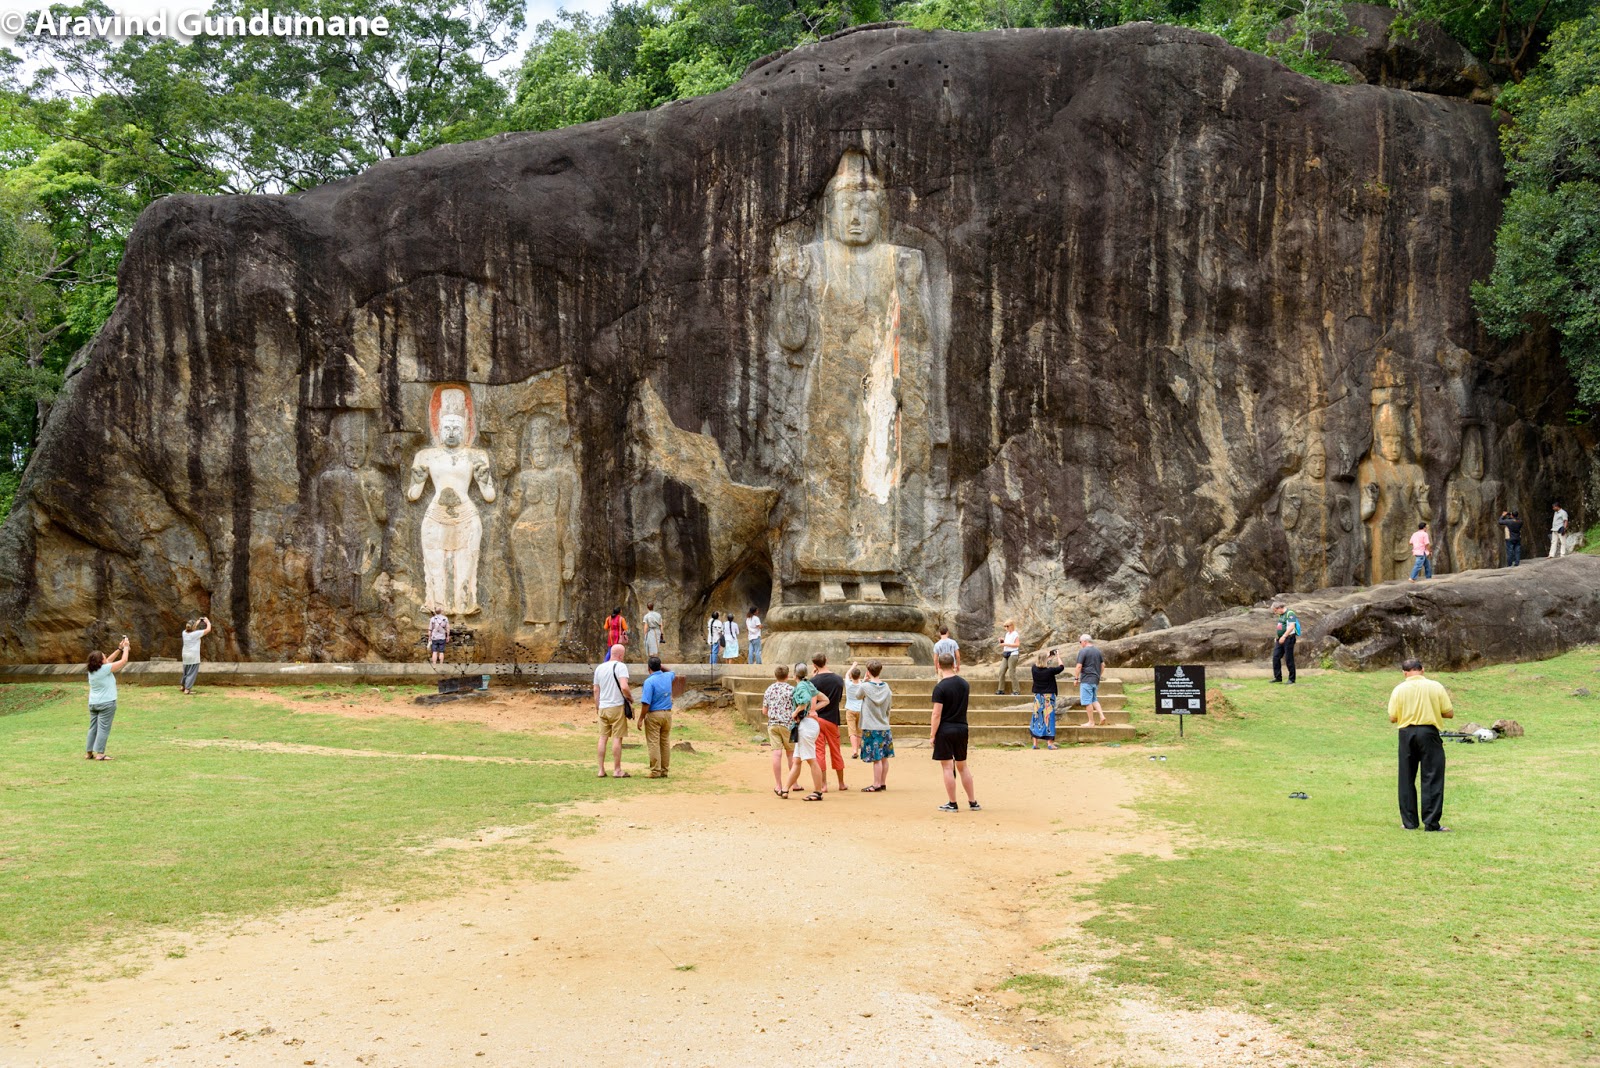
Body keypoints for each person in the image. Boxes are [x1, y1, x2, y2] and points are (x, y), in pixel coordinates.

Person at [1388, 657, 1454, 832]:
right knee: (1432, 776)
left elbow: (1393, 717)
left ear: (1404, 673)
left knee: (1406, 778)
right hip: (1429, 733)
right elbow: (1449, 713)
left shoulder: (1398, 689)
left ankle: (1409, 822)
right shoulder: (1435, 686)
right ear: (1422, 669)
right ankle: (1431, 823)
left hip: (1406, 734)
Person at [930, 652, 978, 811]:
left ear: (938, 665)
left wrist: (932, 734)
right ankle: (972, 801)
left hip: (945, 729)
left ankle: (952, 802)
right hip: (962, 727)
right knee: (963, 766)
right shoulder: (964, 684)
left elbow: (936, 714)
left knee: (947, 767)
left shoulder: (940, 687)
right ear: (954, 665)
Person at [785, 666, 828, 801]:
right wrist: (812, 710)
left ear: (795, 675)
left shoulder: (802, 686)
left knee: (811, 759)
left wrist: (796, 711)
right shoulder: (809, 685)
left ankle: (817, 791)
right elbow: (825, 699)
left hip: (806, 726)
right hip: (810, 723)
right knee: (797, 760)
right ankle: (785, 789)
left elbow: (805, 700)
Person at [85, 636, 131, 760]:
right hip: (106, 703)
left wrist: (119, 649)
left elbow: (109, 661)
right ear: (101, 661)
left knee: (93, 728)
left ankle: (89, 752)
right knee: (103, 728)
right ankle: (100, 754)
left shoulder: (92, 670)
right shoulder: (105, 669)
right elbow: (124, 661)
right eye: (104, 656)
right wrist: (126, 648)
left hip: (93, 703)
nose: (106, 657)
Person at [808, 654, 849, 791]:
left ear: (814, 665)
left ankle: (823, 784)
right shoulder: (838, 679)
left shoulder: (813, 681)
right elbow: (838, 699)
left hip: (817, 719)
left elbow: (811, 701)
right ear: (826, 661)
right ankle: (841, 783)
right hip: (832, 718)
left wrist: (813, 677)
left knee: (819, 751)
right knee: (836, 750)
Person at [591, 643, 632, 778]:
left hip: (603, 706)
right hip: (616, 706)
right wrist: (630, 698)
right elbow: (624, 687)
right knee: (617, 738)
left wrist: (597, 706)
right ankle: (617, 769)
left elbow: (596, 690)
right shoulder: (621, 666)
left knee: (603, 738)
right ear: (620, 655)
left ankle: (601, 769)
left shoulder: (600, 668)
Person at [858, 660, 894, 791]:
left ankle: (876, 784)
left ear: (868, 672)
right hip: (884, 725)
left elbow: (857, 696)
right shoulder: (886, 687)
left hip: (871, 726)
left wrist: (864, 680)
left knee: (876, 758)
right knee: (884, 757)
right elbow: (889, 705)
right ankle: (882, 782)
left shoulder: (865, 686)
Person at [638, 656, 675, 778]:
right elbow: (671, 671)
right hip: (667, 714)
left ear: (648, 668)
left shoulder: (649, 682)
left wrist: (641, 718)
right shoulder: (667, 676)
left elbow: (646, 703)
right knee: (664, 742)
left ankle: (655, 771)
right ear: (660, 666)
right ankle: (664, 770)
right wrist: (660, 665)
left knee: (653, 743)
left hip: (654, 714)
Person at [763, 665, 796, 796]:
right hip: (787, 724)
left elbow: (764, 711)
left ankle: (778, 784)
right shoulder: (791, 690)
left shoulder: (769, 689)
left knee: (776, 754)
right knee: (790, 754)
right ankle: (793, 783)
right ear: (787, 676)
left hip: (773, 724)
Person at [1029, 648, 1065, 749]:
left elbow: (1038, 663)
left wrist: (1047, 656)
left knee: (1036, 717)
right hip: (1049, 696)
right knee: (1049, 718)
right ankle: (1049, 743)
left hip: (1038, 696)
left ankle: (1035, 743)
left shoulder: (1034, 669)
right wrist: (1058, 656)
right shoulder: (1049, 671)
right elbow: (1061, 667)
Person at [1073, 634, 1107, 727]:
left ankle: (1091, 722)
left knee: (1087, 701)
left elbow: (1079, 666)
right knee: (1094, 699)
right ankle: (1102, 716)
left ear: (1085, 641)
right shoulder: (1097, 651)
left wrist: (1076, 678)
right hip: (1095, 680)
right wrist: (1098, 675)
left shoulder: (1083, 651)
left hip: (1086, 679)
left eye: (1080, 642)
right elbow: (1103, 665)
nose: (1080, 644)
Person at [180, 616, 212, 695]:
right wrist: (208, 622)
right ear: (194, 627)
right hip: (193, 656)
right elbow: (208, 630)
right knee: (192, 673)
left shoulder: (184, 633)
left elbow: (191, 627)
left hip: (185, 655)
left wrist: (198, 621)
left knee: (186, 671)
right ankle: (187, 689)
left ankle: (182, 686)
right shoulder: (196, 634)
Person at [1271, 602, 1300, 685]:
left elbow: (1291, 626)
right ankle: (1278, 677)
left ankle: (1291, 679)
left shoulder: (1290, 614)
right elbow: (1280, 626)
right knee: (1276, 657)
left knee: (1288, 658)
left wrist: (1284, 636)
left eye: (1275, 610)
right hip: (1280, 639)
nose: (1275, 612)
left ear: (1279, 608)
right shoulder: (1281, 615)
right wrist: (1278, 636)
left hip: (1289, 638)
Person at [844, 663, 866, 759]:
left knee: (852, 730)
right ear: (859, 676)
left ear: (851, 676)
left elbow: (846, 674)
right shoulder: (862, 685)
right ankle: (858, 748)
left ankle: (854, 750)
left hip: (850, 709)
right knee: (859, 730)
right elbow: (864, 682)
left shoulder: (848, 684)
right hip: (860, 709)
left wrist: (853, 666)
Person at [997, 620, 1021, 695]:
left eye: (1007, 626)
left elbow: (1017, 644)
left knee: (1011, 672)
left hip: (1013, 654)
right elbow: (1009, 642)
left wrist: (1005, 644)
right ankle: (1001, 689)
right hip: (1006, 654)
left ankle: (1016, 690)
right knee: (1001, 671)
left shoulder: (1015, 634)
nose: (1006, 628)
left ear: (1012, 626)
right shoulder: (1007, 634)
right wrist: (1003, 641)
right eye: (1005, 626)